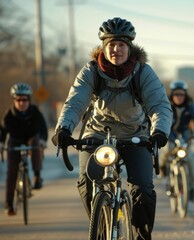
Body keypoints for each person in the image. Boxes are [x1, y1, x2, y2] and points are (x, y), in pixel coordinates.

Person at [51, 17, 172, 240]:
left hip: (135, 135)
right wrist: (64, 129)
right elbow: (75, 102)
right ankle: (98, 224)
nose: (116, 50)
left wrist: (159, 131)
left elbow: (160, 106)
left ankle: (141, 236)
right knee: (86, 183)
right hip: (97, 133)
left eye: (121, 45)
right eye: (111, 45)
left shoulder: (143, 72)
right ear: (104, 47)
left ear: (130, 47)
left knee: (143, 189)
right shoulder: (91, 71)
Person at [0, 83, 48, 216]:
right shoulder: (9, 114)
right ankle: (9, 204)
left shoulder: (35, 112)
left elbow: (43, 128)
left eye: (25, 99)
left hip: (31, 139)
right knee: (11, 172)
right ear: (14, 100)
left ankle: (37, 177)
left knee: (36, 143)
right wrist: (1, 143)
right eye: (18, 100)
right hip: (15, 141)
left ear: (29, 100)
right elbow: (3, 131)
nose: (22, 103)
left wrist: (43, 140)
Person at [159, 80, 194, 201]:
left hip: (185, 135)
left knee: (188, 161)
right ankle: (163, 166)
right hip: (170, 134)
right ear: (172, 95)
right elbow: (161, 119)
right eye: (176, 94)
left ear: (185, 96)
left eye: (182, 95)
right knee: (167, 151)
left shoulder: (190, 107)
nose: (179, 97)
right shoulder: (166, 105)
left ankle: (190, 187)